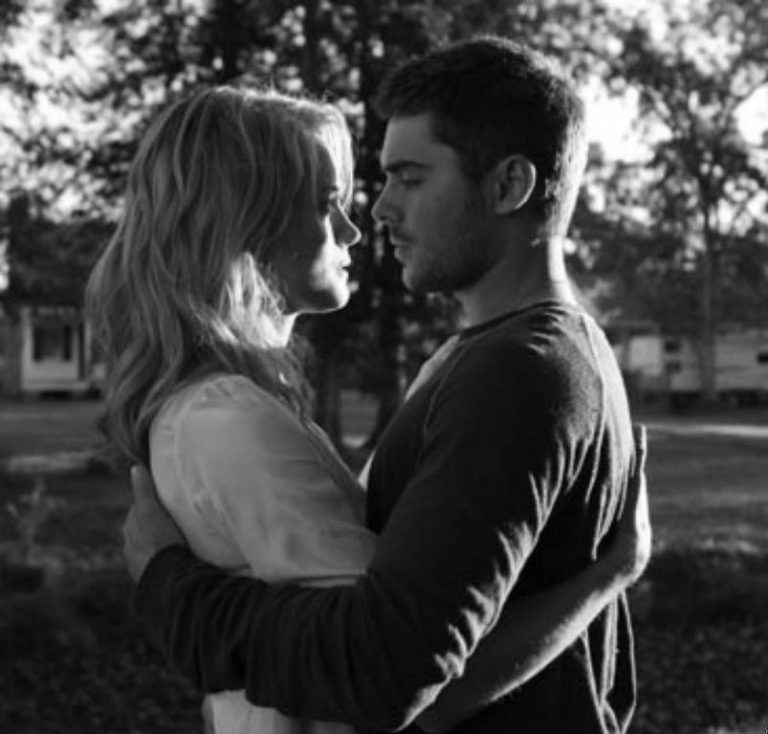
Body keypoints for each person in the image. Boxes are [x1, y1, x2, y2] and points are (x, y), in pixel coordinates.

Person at [114, 36, 648, 734]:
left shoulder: (519, 369)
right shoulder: (505, 355)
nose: (378, 211)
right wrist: (605, 578)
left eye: (411, 178)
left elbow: (399, 674)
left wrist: (169, 586)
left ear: (509, 186)